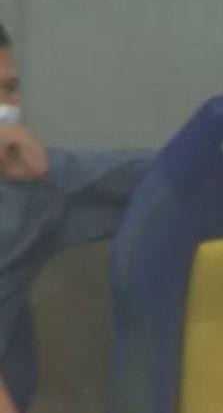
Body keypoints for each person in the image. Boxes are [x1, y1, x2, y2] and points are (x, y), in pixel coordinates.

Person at [0, 23, 152, 413]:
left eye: (9, 89)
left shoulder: (29, 194)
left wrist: (48, 171)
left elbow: (172, 179)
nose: (5, 107)